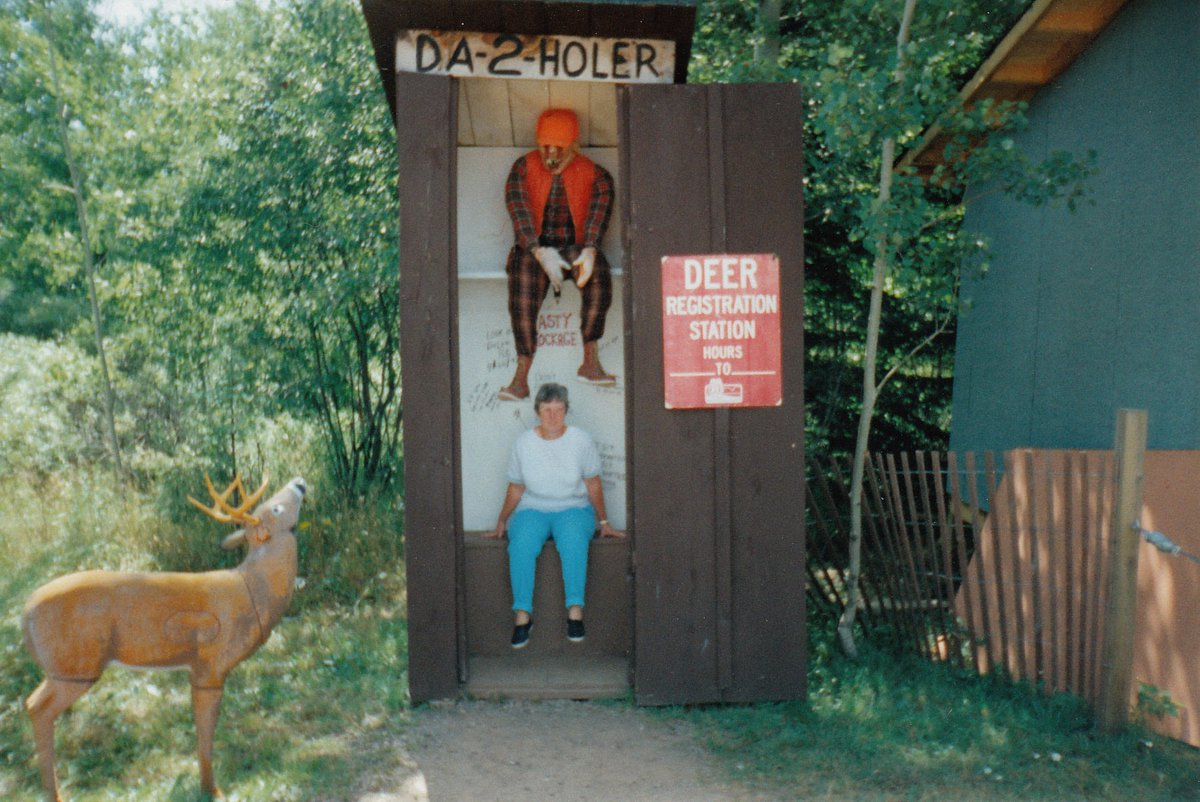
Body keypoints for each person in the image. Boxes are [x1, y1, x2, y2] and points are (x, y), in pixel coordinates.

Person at [485, 382, 624, 649]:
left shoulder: (580, 440)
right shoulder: (524, 443)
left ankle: (575, 611)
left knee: (573, 541)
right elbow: (516, 487)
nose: (552, 416)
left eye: (558, 410)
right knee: (522, 544)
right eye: (547, 409)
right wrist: (502, 519)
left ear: (566, 411)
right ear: (537, 411)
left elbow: (593, 482)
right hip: (533, 508)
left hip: (573, 507)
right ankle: (523, 615)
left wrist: (604, 521)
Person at [498, 108, 617, 401]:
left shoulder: (596, 174)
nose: (551, 152)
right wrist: (539, 252)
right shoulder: (523, 168)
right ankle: (521, 376)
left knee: (598, 273)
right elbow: (519, 211)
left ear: (573, 146)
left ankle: (591, 361)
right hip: (536, 248)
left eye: (559, 147)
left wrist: (590, 249)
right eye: (545, 145)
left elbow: (597, 216)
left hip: (575, 246)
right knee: (522, 280)